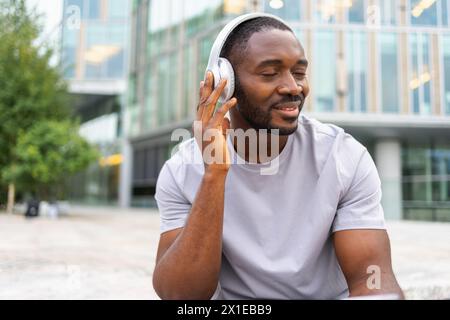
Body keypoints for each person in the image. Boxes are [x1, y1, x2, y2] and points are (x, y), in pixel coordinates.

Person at [152, 13, 404, 300]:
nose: (293, 87)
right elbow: (180, 296)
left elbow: (371, 276)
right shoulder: (182, 170)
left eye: (298, 72)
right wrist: (214, 174)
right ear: (226, 82)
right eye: (270, 73)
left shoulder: (344, 156)